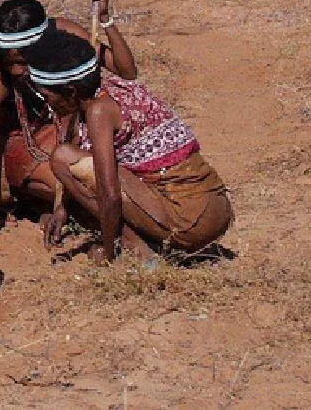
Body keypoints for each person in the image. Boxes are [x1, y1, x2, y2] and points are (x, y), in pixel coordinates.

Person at [29, 31, 233, 263]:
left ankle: (141, 250)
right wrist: (62, 208)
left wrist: (109, 252)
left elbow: (110, 194)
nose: (47, 103)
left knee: (62, 159)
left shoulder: (99, 111)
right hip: (216, 209)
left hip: (188, 220)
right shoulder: (115, 88)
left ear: (71, 91)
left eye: (47, 95)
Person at [0, 0, 137, 252]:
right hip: (32, 145)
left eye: (23, 62)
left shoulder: (66, 40)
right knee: (83, 183)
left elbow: (127, 72)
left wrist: (105, 19)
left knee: (101, 179)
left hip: (79, 135)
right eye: (10, 63)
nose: (16, 71)